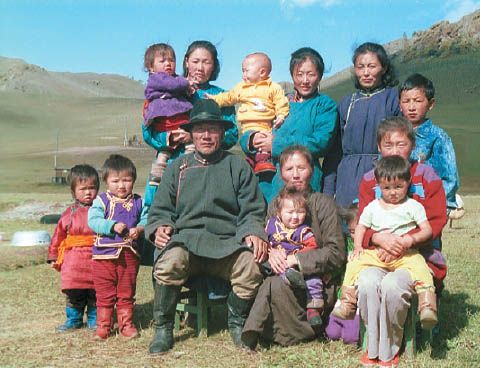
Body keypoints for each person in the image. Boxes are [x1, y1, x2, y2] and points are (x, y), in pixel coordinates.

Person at [145, 99, 268, 354]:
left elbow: (253, 209)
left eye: (213, 129)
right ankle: (163, 327)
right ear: (191, 133)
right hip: (186, 242)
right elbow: (160, 209)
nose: (206, 136)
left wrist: (253, 232)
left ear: (222, 133)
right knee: (169, 262)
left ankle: (237, 323)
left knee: (250, 267)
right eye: (200, 129)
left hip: (227, 244)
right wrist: (160, 226)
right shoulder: (176, 168)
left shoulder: (237, 166)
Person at [356, 117, 447, 367]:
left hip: (417, 255)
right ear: (378, 147)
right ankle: (372, 344)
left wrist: (404, 242)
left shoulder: (426, 176)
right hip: (379, 254)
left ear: (412, 145)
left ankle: (390, 346)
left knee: (393, 287)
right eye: (388, 145)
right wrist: (377, 238)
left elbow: (437, 218)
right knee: (366, 282)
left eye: (401, 144)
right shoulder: (368, 179)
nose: (394, 150)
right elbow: (362, 221)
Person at [242, 145, 346, 349]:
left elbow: (336, 253)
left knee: (273, 286)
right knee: (271, 281)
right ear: (281, 173)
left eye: (301, 168)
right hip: (282, 274)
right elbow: (268, 237)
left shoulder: (323, 204)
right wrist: (271, 253)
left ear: (312, 170)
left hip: (315, 282)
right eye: (289, 169)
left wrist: (296, 260)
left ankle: (291, 331)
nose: (296, 175)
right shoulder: (276, 205)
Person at [333, 156, 437, 331]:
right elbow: (361, 227)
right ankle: (347, 303)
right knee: (354, 263)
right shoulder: (373, 207)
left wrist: (410, 240)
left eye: (398, 187)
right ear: (379, 186)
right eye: (386, 188)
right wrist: (358, 247)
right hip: (377, 253)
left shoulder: (413, 206)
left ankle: (427, 306)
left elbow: (427, 229)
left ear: (408, 182)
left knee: (420, 266)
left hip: (406, 253)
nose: (393, 192)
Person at [142, 40, 239, 207]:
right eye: (195, 61)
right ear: (186, 62)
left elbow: (232, 135)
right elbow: (148, 132)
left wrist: (194, 137)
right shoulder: (165, 92)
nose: (200, 68)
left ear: (214, 66)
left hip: (209, 168)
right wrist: (169, 138)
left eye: (206, 62)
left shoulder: (222, 96)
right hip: (169, 163)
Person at [241, 47, 338, 202]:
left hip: (302, 178)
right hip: (268, 175)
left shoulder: (325, 106)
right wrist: (252, 139)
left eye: (311, 74)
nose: (305, 80)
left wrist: (276, 144)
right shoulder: (280, 101)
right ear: (292, 75)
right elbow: (253, 119)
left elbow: (320, 142)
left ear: (319, 76)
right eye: (299, 74)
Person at [324, 42, 400, 208]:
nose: (366, 72)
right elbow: (335, 151)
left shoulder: (394, 99)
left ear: (384, 68)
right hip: (348, 178)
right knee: (348, 228)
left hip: (383, 175)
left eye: (372, 66)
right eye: (360, 67)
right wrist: (328, 192)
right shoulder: (346, 103)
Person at [88, 154, 148, 340]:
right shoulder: (100, 201)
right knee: (105, 293)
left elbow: (147, 218)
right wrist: (112, 226)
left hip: (129, 255)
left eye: (126, 180)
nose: (121, 185)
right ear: (106, 182)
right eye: (115, 181)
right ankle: (103, 327)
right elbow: (93, 221)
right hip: (103, 257)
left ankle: (126, 325)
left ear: (133, 180)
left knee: (126, 292)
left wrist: (139, 228)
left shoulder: (140, 201)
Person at [209, 52, 289, 174]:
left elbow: (281, 102)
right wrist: (214, 100)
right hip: (248, 126)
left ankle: (262, 162)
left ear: (262, 72)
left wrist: (281, 115)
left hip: (265, 124)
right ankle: (253, 160)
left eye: (246, 71)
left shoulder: (273, 87)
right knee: (253, 140)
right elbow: (228, 97)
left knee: (263, 142)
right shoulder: (242, 87)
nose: (243, 75)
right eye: (243, 71)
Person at [47, 165, 99, 332]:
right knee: (74, 293)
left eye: (92, 188)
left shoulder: (103, 211)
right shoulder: (68, 213)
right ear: (73, 191)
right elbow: (58, 236)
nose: (88, 192)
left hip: (96, 258)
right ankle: (74, 319)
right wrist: (53, 255)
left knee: (95, 293)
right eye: (83, 189)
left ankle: (95, 319)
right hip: (73, 262)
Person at [399, 73, 461, 212]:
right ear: (399, 104)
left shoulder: (438, 137)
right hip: (396, 206)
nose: (411, 106)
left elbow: (449, 179)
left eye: (418, 101)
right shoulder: (393, 135)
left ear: (431, 104)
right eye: (406, 101)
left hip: (428, 208)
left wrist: (436, 206)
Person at [265, 187, 324, 327]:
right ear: (279, 213)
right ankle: (291, 278)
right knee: (277, 268)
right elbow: (264, 240)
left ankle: (314, 309)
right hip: (279, 263)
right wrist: (270, 251)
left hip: (299, 263)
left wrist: (297, 257)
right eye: (290, 212)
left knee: (314, 280)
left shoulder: (303, 231)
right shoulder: (272, 225)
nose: (295, 216)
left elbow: (312, 246)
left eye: (300, 212)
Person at [142, 43, 194, 198]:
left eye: (171, 60)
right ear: (151, 68)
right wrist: (186, 83)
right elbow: (172, 84)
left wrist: (188, 89)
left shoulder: (176, 79)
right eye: (162, 61)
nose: (168, 64)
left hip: (181, 122)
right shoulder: (157, 80)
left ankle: (191, 165)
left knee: (190, 148)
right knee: (163, 154)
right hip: (164, 124)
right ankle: (156, 176)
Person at [324, 204, 360, 345]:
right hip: (343, 297)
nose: (355, 235)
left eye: (358, 231)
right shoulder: (347, 244)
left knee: (350, 338)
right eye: (351, 231)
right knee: (331, 333)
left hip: (358, 302)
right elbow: (340, 264)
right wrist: (332, 274)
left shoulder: (371, 247)